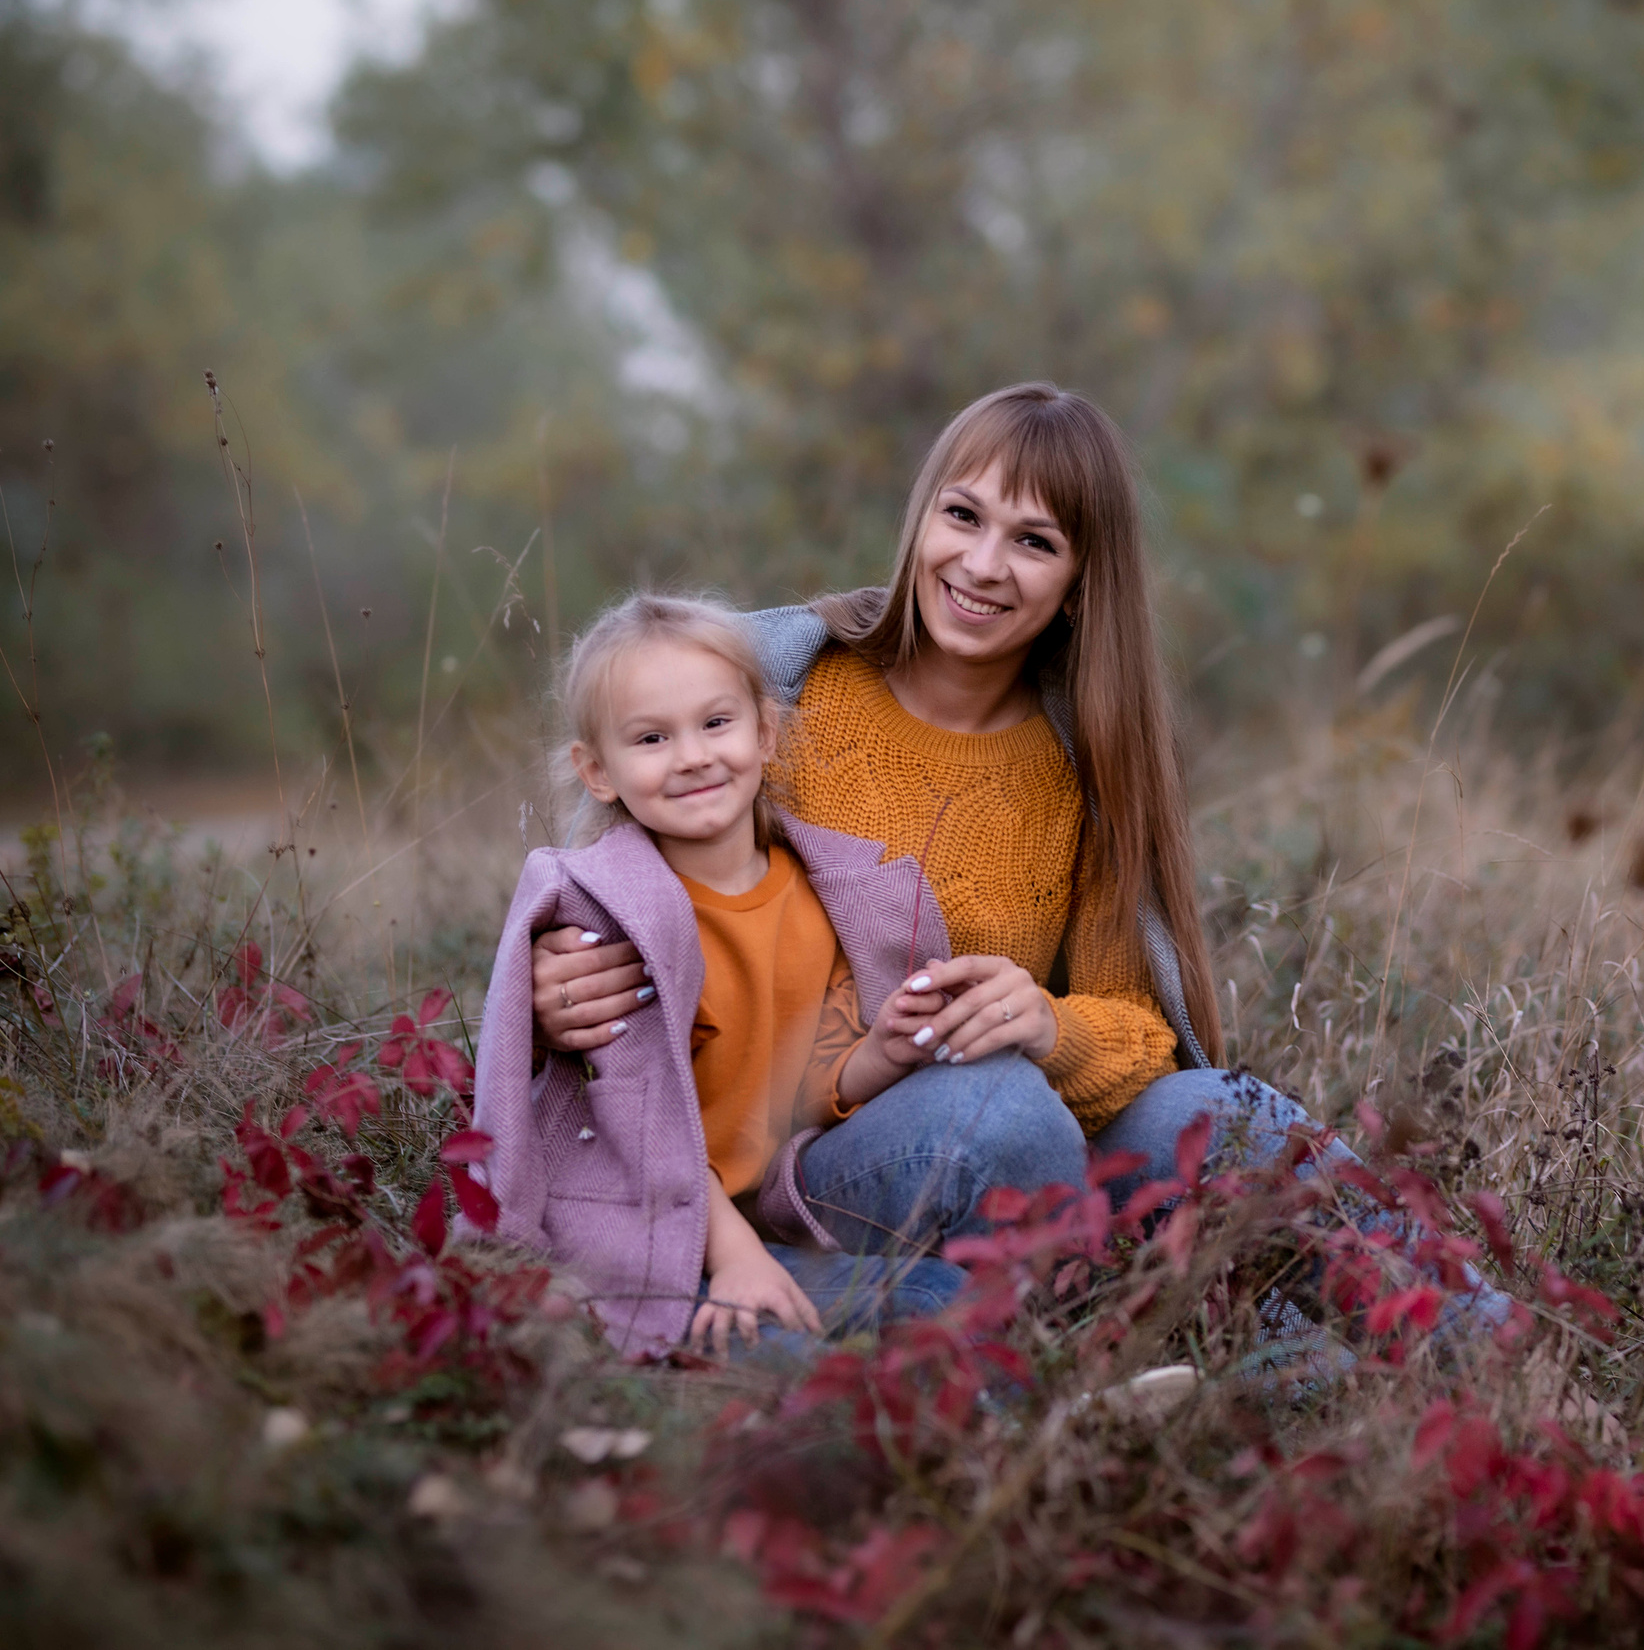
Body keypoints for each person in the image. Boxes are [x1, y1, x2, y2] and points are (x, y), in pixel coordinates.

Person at [520, 384, 1502, 1342]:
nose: (983, 563)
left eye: (1034, 541)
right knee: (993, 1105)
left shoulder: (1084, 760)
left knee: (1220, 1111)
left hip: (1015, 1158)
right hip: (790, 1164)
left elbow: (1143, 1035)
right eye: (963, 515)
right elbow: (622, 872)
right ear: (921, 517)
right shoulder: (781, 689)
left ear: (1082, 580)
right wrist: (560, 976)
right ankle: (1082, 1351)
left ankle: (1489, 1355)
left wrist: (1046, 1019)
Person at [469, 593, 1037, 1357]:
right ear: (597, 770)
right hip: (642, 1236)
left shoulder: (823, 893)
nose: (694, 755)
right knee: (785, 1355)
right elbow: (637, 1131)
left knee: (946, 1296)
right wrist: (735, 1260)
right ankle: (674, 1372)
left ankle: (1046, 1429)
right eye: (651, 737)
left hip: (763, 1218)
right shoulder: (609, 915)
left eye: (716, 722)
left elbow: (809, 1085)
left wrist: (884, 1053)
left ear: (766, 732)